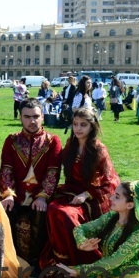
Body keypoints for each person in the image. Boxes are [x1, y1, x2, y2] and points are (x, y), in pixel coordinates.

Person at [50, 181, 139, 278]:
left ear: (130, 205)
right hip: (103, 276)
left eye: (117, 196)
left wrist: (78, 271)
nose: (111, 198)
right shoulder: (111, 217)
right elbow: (80, 229)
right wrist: (82, 243)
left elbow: (113, 261)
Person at [40, 108, 120, 269]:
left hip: (92, 197)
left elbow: (112, 181)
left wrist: (87, 194)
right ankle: (61, 257)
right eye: (75, 124)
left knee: (65, 213)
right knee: (53, 208)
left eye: (83, 125)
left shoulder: (99, 149)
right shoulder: (70, 145)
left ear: (92, 126)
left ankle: (82, 259)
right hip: (70, 191)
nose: (78, 128)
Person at [0, 98, 62, 267]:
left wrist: (43, 196)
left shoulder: (52, 141)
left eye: (36, 116)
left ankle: (35, 264)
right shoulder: (11, 141)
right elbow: (6, 170)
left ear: (43, 116)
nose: (32, 121)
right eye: (27, 117)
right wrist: (8, 194)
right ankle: (11, 262)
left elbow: (53, 172)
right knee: (5, 211)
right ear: (20, 117)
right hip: (16, 195)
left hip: (40, 196)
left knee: (41, 216)